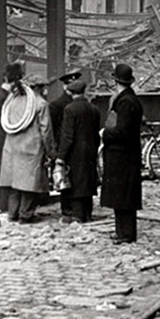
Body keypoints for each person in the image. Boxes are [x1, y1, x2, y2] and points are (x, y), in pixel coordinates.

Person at [0, 74, 55, 223]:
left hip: (12, 148)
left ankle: (13, 214)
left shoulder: (12, 101)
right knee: (30, 185)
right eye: (44, 87)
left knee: (14, 184)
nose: (45, 90)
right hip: (31, 149)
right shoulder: (41, 104)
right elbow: (46, 131)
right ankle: (25, 215)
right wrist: (51, 152)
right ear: (38, 87)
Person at [100, 64, 143, 244]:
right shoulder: (129, 99)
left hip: (122, 155)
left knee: (123, 195)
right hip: (125, 154)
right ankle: (121, 231)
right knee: (122, 195)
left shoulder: (125, 102)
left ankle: (126, 234)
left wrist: (105, 133)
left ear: (115, 81)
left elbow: (123, 131)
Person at [56, 80, 101, 223]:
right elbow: (96, 133)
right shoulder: (94, 109)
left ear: (70, 92)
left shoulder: (70, 109)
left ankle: (78, 215)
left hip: (75, 152)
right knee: (87, 181)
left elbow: (67, 136)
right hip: (90, 150)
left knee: (75, 184)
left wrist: (61, 156)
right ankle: (87, 214)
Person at [0, 62, 24, 211]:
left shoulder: (2, 95)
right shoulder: (3, 97)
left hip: (4, 138)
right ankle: (5, 207)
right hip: (5, 138)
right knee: (6, 172)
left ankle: (7, 207)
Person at [49, 70, 82, 218]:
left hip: (75, 145)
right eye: (69, 84)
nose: (72, 87)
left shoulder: (75, 103)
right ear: (64, 86)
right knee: (64, 176)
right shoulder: (56, 105)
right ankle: (67, 207)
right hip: (64, 145)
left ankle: (74, 206)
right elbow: (53, 129)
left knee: (75, 176)